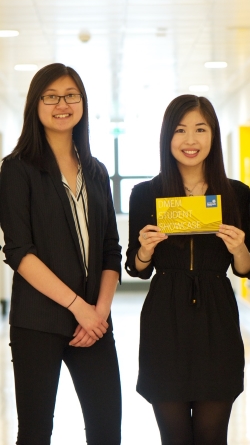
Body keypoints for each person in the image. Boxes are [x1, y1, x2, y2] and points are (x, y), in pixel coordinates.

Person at [125, 94, 250, 445]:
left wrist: (238, 248)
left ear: (213, 135)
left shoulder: (236, 194)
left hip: (217, 318)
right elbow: (136, 268)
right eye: (180, 130)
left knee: (212, 435)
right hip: (164, 318)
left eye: (200, 129)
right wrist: (145, 250)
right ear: (167, 136)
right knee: (174, 437)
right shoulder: (146, 193)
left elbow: (247, 268)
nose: (190, 140)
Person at [0, 63, 122, 444]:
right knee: (36, 433)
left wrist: (98, 312)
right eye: (50, 96)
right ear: (35, 104)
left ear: (82, 103)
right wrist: (78, 307)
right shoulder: (16, 170)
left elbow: (111, 251)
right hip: (38, 322)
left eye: (71, 95)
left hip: (94, 324)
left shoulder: (97, 172)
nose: (62, 104)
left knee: (107, 430)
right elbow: (20, 253)